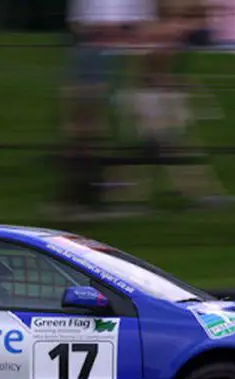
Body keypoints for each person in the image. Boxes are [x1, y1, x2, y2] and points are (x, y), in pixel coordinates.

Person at [123, 0, 235, 209]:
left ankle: (201, 195)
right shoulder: (161, 32)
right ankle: (202, 196)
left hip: (156, 95)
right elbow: (149, 73)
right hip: (154, 98)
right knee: (165, 149)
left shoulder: (159, 29)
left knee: (165, 149)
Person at [55, 0, 157, 220]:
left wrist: (121, 36)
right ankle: (84, 191)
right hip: (91, 53)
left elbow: (145, 25)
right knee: (83, 121)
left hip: (121, 55)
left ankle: (105, 190)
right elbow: (76, 23)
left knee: (109, 123)